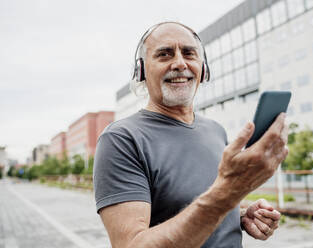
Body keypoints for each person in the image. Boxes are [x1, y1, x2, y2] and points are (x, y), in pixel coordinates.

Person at [93, 21, 288, 248]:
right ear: (142, 71)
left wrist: (241, 213)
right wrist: (228, 193)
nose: (179, 63)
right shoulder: (121, 139)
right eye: (164, 54)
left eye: (189, 53)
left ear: (203, 69)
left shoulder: (215, 130)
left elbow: (204, 202)